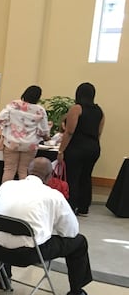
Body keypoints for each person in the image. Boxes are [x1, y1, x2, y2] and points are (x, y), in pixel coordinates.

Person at [0, 157, 102, 295]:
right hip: (27, 255)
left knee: (5, 229)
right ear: (49, 177)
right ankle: (76, 293)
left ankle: (4, 279)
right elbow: (71, 231)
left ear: (28, 171)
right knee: (79, 242)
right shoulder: (53, 196)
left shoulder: (6, 186)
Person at [58, 83, 105, 217]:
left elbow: (69, 131)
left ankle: (71, 206)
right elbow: (99, 132)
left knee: (73, 176)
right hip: (93, 147)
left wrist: (61, 151)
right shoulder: (100, 111)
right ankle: (84, 207)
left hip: (77, 147)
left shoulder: (77, 108)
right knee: (86, 176)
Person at [0, 85, 51, 183]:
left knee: (9, 169)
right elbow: (44, 131)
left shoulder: (14, 105)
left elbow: (0, 118)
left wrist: (9, 124)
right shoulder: (40, 110)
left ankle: (4, 193)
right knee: (24, 170)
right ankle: (24, 195)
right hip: (30, 145)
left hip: (11, 142)